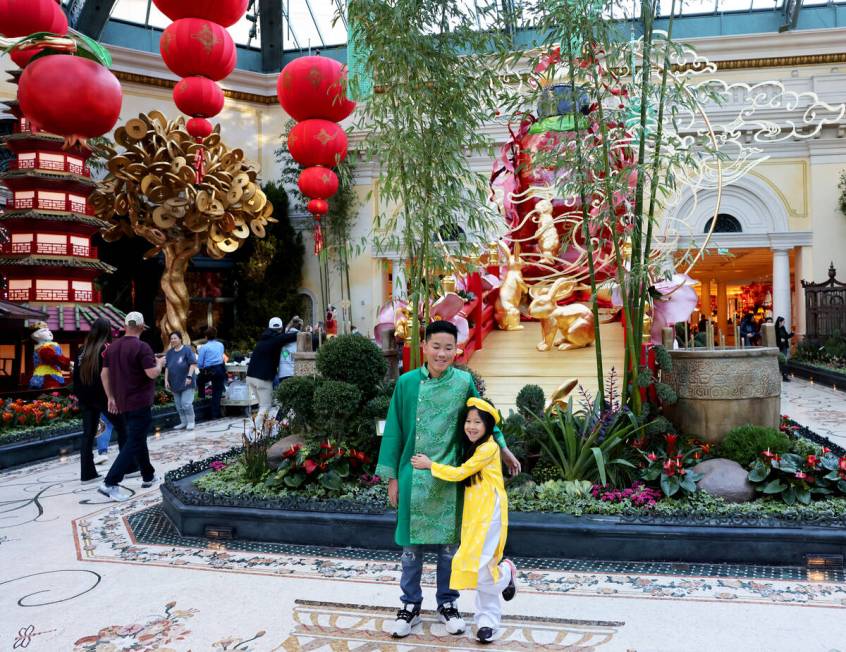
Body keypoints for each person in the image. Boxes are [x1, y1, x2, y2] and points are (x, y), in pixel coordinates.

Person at [376, 320, 521, 639]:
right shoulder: (407, 383)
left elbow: (484, 417)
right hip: (413, 473)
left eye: (448, 348)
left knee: (448, 549)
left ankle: (448, 604)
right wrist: (392, 477)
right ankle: (410, 605)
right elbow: (396, 429)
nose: (442, 354)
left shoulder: (463, 382)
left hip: (451, 476)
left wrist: (504, 448)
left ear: (457, 351)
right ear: (424, 347)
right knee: (410, 549)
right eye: (436, 346)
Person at [411, 397, 517, 644]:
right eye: (468, 421)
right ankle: (486, 621)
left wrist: (430, 465)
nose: (471, 426)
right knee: (478, 565)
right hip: (473, 514)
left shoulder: (488, 448)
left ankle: (506, 575)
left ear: (488, 425)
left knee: (483, 568)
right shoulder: (475, 446)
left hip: (490, 513)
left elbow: (461, 473)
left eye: (477, 422)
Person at [99, 312, 166, 501]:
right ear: (141, 327)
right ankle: (110, 482)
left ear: (125, 325)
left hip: (122, 401)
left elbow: (104, 374)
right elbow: (152, 374)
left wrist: (110, 396)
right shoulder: (142, 347)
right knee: (134, 440)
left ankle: (148, 475)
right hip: (140, 402)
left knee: (137, 438)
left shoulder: (112, 347)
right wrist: (160, 363)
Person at [73, 318, 128, 484]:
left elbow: (76, 377)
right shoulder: (106, 348)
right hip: (104, 397)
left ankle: (87, 474)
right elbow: (113, 374)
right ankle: (130, 466)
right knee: (123, 428)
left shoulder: (82, 351)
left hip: (86, 398)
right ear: (107, 331)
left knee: (88, 435)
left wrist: (79, 396)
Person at [246, 317, 299, 433]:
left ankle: (266, 431)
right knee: (266, 406)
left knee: (262, 406)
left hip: (250, 377)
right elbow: (292, 336)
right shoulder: (276, 340)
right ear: (280, 329)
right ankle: (250, 431)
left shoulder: (263, 338)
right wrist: (305, 332)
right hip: (262, 379)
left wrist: (290, 324)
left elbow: (283, 335)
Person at [165, 332, 198, 430]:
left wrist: (189, 376)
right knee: (179, 405)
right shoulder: (170, 352)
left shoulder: (187, 350)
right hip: (174, 382)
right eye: (171, 339)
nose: (173, 340)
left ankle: (191, 422)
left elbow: (193, 364)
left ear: (180, 339)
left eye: (175, 338)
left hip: (187, 382)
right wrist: (166, 380)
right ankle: (183, 422)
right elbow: (167, 367)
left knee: (186, 403)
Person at [197, 326, 226, 419]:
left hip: (209, 370)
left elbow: (200, 363)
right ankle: (215, 414)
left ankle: (201, 396)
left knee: (199, 380)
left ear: (206, 337)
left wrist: (201, 369)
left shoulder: (204, 347)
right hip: (220, 369)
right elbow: (221, 356)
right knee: (217, 392)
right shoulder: (220, 345)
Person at [276, 316, 303, 387]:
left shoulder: (282, 336)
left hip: (283, 372)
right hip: (296, 372)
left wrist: (291, 323)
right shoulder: (302, 337)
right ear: (300, 327)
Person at [776, 316, 794, 382]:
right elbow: (774, 338)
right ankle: (781, 374)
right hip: (779, 347)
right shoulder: (775, 329)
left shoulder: (783, 328)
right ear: (780, 322)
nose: (784, 323)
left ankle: (784, 376)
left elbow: (786, 336)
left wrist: (792, 334)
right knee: (781, 361)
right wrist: (779, 340)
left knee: (785, 361)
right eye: (783, 322)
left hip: (784, 347)